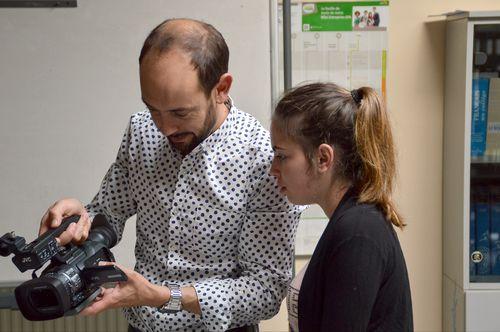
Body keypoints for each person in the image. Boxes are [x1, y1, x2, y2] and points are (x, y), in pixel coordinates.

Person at [38, 18, 302, 332]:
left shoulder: (262, 159)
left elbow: (265, 291)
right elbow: (107, 214)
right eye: (153, 109)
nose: (164, 128)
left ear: (221, 88)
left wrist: (163, 297)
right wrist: (79, 219)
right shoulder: (140, 130)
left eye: (180, 113)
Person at [270, 83, 413, 331]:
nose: (273, 169)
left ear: (323, 158)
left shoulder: (358, 232)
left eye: (282, 155)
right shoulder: (350, 221)